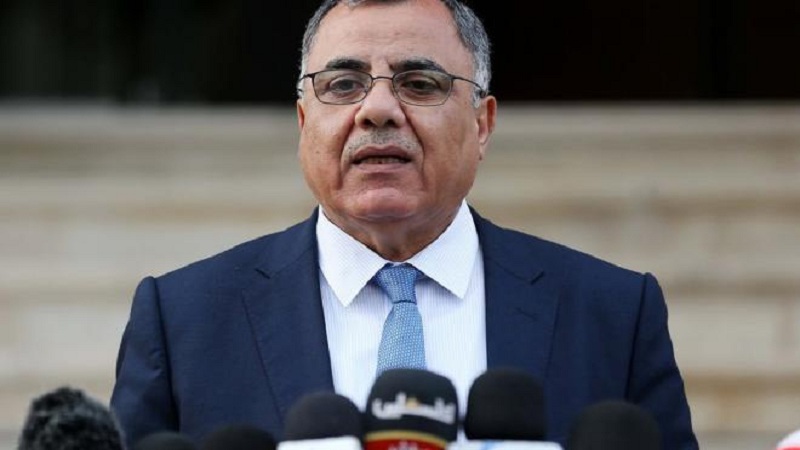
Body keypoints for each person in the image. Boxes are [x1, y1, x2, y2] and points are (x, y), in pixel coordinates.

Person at [110, 1, 698, 449]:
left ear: (482, 124)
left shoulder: (613, 313)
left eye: (419, 84)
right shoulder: (183, 320)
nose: (377, 110)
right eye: (343, 85)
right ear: (303, 122)